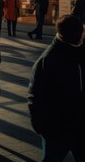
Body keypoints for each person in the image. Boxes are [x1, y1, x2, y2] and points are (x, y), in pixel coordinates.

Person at [28, 15, 85, 161]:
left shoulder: (78, 51)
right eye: (82, 31)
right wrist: (44, 129)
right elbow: (36, 98)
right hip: (57, 130)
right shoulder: (48, 60)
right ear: (75, 35)